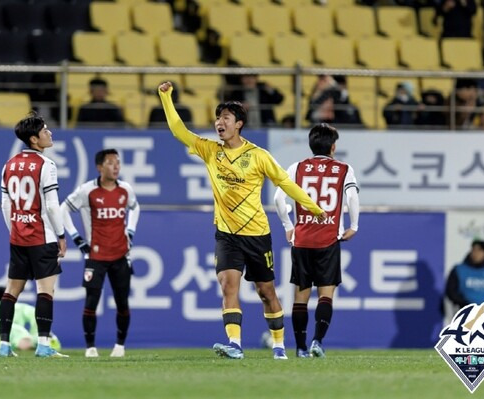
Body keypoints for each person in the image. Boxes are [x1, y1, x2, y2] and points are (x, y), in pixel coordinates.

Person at [157, 81, 327, 360]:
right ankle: (235, 344)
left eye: (225, 118)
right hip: (226, 234)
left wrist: (314, 209)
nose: (218, 122)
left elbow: (285, 183)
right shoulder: (210, 151)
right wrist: (166, 97)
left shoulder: (258, 156)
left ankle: (279, 346)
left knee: (266, 292)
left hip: (257, 233)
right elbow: (179, 130)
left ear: (238, 124)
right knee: (228, 285)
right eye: (217, 117)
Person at [274, 123, 360, 358]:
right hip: (328, 239)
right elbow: (351, 196)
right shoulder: (344, 169)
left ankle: (300, 347)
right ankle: (317, 342)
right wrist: (354, 225)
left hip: (302, 240)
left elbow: (278, 198)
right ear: (333, 147)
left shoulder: (297, 168)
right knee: (325, 294)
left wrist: (288, 226)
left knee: (300, 296)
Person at [0, 112, 68, 358]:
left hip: (18, 236)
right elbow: (51, 205)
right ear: (34, 139)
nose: (50, 133)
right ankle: (43, 345)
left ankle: (4, 345)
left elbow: (5, 206)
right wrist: (61, 235)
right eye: (45, 130)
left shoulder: (9, 164)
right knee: (45, 291)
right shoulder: (46, 165)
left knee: (11, 291)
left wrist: (16, 229)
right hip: (42, 237)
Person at [60, 149, 140, 358]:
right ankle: (90, 348)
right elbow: (63, 210)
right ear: (99, 167)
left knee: (122, 302)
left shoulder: (125, 189)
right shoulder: (87, 191)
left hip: (121, 255)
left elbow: (135, 207)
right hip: (95, 257)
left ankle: (120, 346)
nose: (116, 167)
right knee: (91, 302)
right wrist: (77, 238)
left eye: (118, 163)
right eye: (111, 162)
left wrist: (130, 231)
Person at [0, 287, 61, 352]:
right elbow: (35, 315)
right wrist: (36, 333)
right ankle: (45, 339)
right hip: (18, 331)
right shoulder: (17, 306)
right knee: (21, 336)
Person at [445, 239, 484, 331]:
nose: (476, 253)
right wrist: (464, 303)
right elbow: (451, 291)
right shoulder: (459, 270)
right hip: (466, 312)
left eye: (480, 250)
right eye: (474, 250)